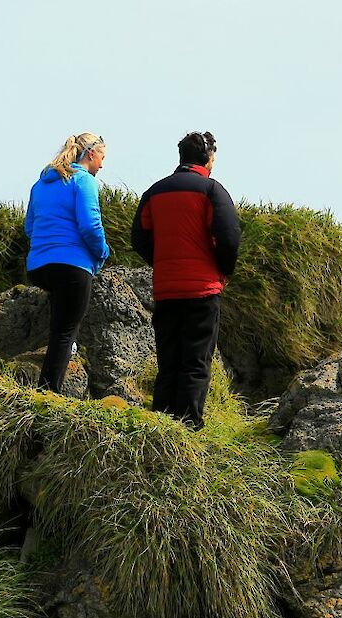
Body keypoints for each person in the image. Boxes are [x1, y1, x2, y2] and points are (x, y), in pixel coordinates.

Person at [130, 131, 240, 428]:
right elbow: (229, 238)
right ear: (208, 158)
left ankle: (162, 422)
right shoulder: (211, 190)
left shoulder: (154, 192)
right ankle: (189, 426)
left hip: (166, 288)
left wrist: (163, 262)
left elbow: (138, 237)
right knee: (196, 360)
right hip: (202, 289)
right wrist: (222, 271)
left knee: (169, 359)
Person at [22, 133, 110, 393]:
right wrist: (102, 253)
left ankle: (45, 387)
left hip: (39, 267)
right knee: (64, 332)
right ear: (91, 154)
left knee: (60, 325)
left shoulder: (40, 185)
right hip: (73, 265)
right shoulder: (84, 181)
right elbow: (90, 225)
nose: (102, 165)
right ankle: (48, 392)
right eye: (102, 157)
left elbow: (30, 227)